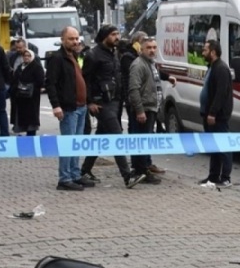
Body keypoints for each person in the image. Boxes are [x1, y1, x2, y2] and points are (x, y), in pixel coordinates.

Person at [80, 25, 144, 189]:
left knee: (101, 138)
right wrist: (90, 102)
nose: (117, 37)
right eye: (113, 34)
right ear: (104, 36)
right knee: (117, 137)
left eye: (118, 34)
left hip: (114, 102)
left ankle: (84, 171)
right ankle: (127, 176)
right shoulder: (93, 55)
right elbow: (85, 80)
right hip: (101, 103)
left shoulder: (113, 53)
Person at [45, 26, 93, 191]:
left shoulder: (75, 56)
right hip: (68, 108)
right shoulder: (57, 58)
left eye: (76, 38)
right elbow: (50, 83)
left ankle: (75, 174)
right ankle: (64, 178)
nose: (75, 41)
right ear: (62, 40)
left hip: (81, 107)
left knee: (76, 144)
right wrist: (56, 105)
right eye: (71, 39)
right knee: (68, 144)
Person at [128, 36, 176, 184]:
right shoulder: (138, 65)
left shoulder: (151, 63)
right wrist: (140, 110)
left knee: (144, 140)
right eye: (148, 48)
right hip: (144, 109)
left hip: (151, 108)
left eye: (154, 47)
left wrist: (168, 77)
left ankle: (142, 168)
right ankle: (141, 171)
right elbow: (134, 89)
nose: (152, 50)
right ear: (141, 49)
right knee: (141, 141)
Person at [198, 39, 233, 188]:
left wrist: (212, 113)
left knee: (223, 146)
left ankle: (225, 177)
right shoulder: (212, 67)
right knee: (214, 146)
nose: (203, 52)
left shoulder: (221, 69)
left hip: (218, 116)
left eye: (205, 50)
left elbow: (220, 94)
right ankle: (213, 176)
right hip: (208, 114)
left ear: (213, 52)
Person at [10, 49, 45, 136]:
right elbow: (15, 79)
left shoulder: (36, 67)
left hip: (31, 97)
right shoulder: (20, 67)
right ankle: (20, 130)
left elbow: (40, 81)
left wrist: (28, 86)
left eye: (28, 56)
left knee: (31, 117)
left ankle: (31, 133)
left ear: (32, 57)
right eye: (25, 56)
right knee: (21, 115)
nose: (26, 57)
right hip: (20, 97)